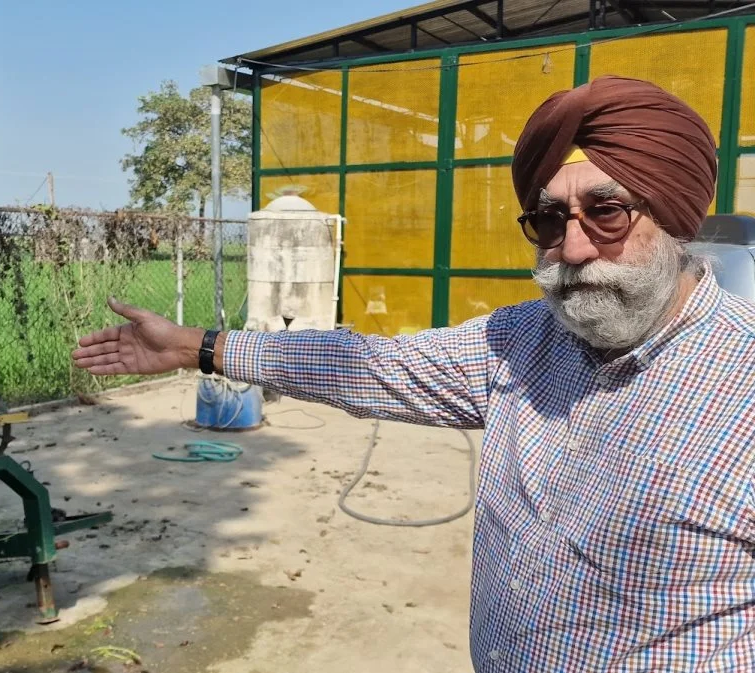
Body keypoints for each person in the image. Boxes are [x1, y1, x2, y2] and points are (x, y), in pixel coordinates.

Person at [72, 75, 755, 671]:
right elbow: (365, 368)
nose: (572, 247)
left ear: (673, 214)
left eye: (605, 211)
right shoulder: (521, 341)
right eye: (548, 219)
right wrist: (197, 345)